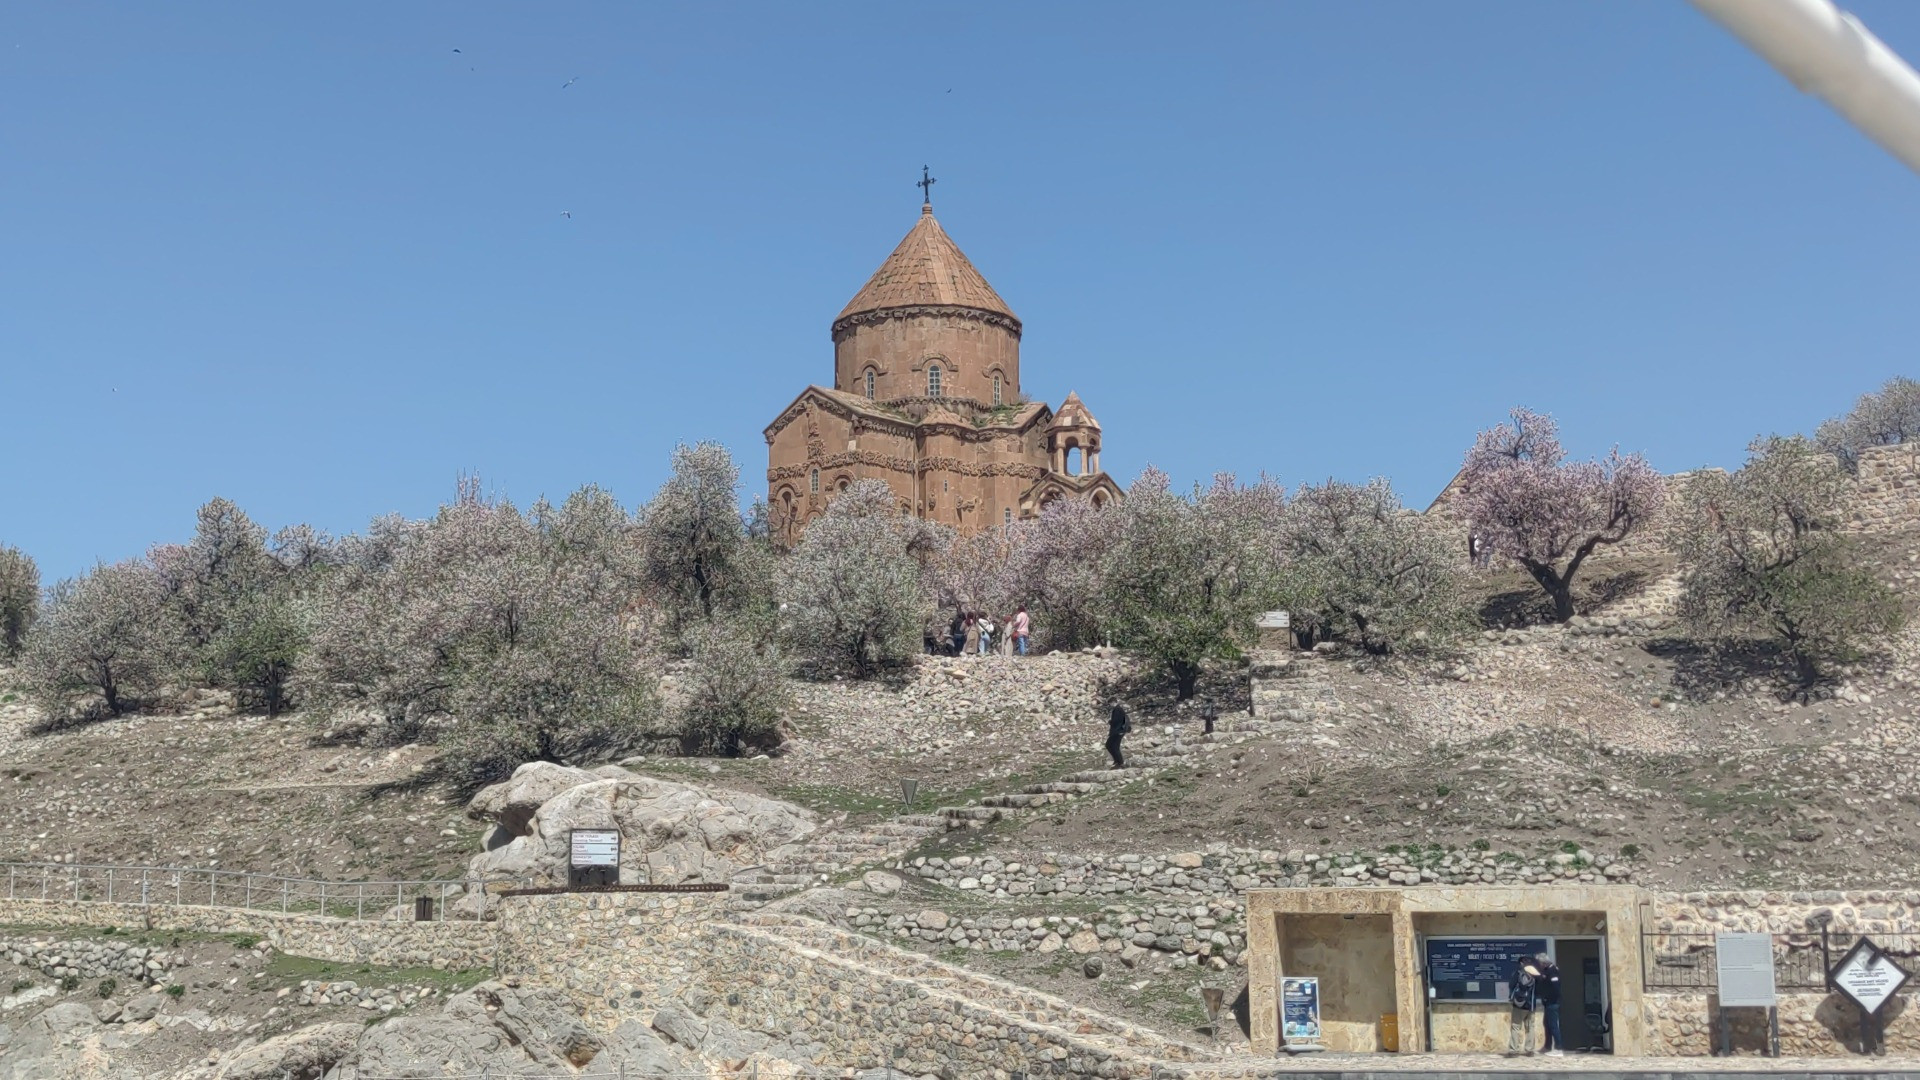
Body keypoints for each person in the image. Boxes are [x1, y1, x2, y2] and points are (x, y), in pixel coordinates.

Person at [1507, 956, 1540, 1056]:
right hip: (1531, 1005)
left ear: (1521, 963)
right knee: (1530, 1027)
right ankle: (1529, 1050)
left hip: (1519, 1004)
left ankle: (1514, 1050)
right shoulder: (1535, 974)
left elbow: (1511, 985)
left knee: (1516, 1027)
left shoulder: (1518, 973)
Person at [1534, 950, 1564, 1056]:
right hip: (1547, 1002)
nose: (1539, 965)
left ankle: (1559, 1048)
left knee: (1553, 1025)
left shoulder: (1552, 971)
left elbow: (1555, 988)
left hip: (1552, 1002)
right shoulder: (1546, 970)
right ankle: (1547, 1046)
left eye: (1540, 963)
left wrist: (1549, 997)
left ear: (1544, 962)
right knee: (1546, 1024)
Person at [1106, 703, 1131, 769]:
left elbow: (1116, 721)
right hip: (1118, 731)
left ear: (1113, 702)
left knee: (1110, 745)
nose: (1110, 705)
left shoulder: (1117, 709)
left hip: (1118, 731)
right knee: (1113, 746)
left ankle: (1120, 762)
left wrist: (1110, 722)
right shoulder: (1118, 709)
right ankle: (1118, 762)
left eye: (1110, 703)